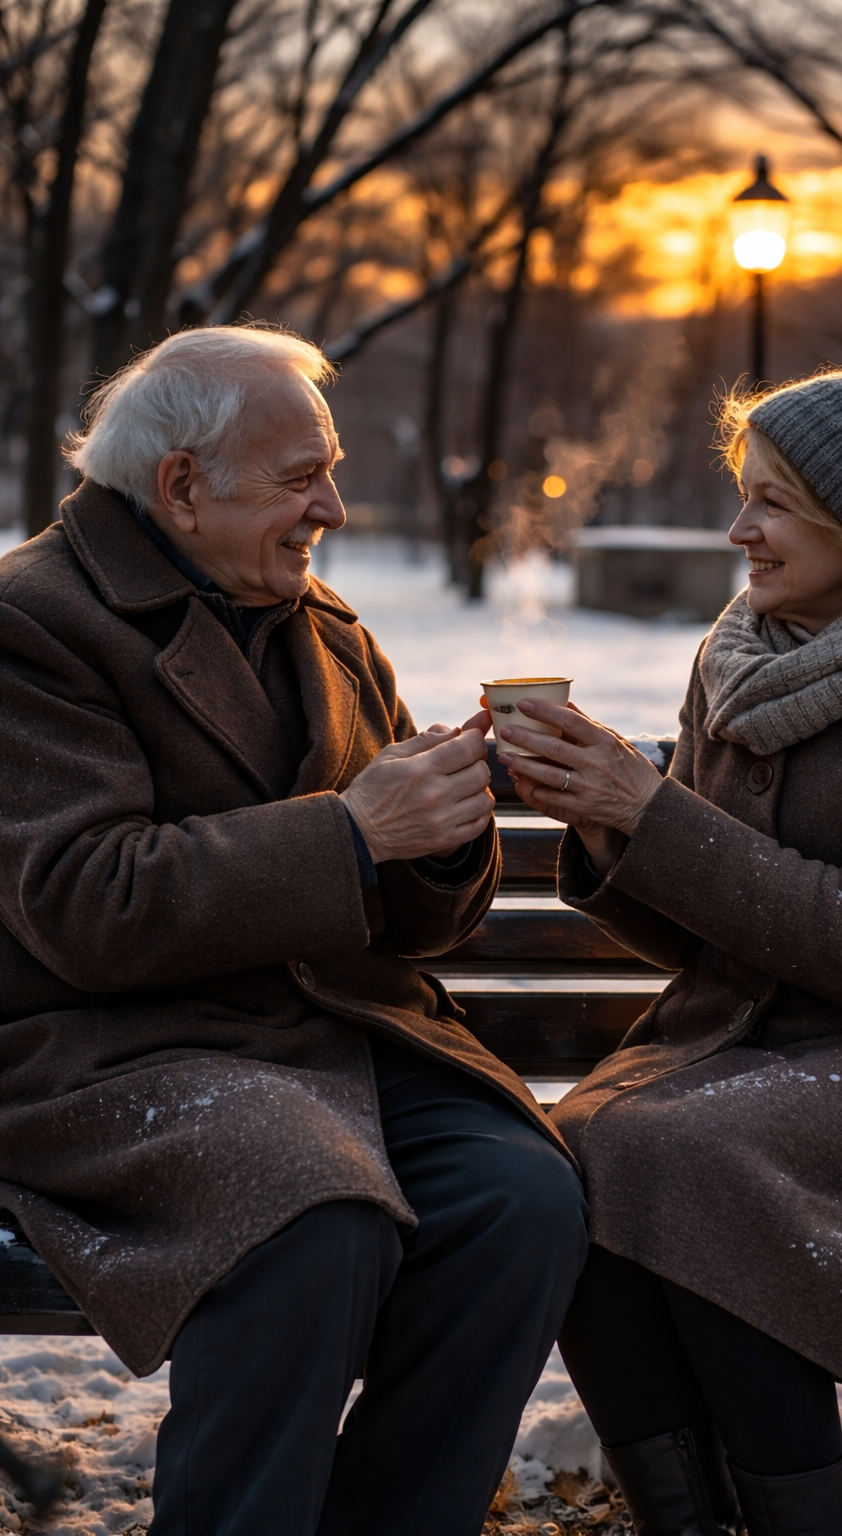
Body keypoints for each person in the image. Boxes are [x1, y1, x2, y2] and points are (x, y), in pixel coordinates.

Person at [0, 325, 587, 1536]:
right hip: (108, 1052)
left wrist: (441, 830)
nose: (332, 508)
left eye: (329, 472)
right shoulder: (34, 623)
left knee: (521, 1200)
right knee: (308, 1216)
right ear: (181, 486)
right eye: (300, 478)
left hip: (328, 1037)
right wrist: (352, 833)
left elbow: (410, 923)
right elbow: (86, 902)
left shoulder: (319, 620)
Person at [497, 370, 842, 1536]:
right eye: (744, 496)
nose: (739, 530)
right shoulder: (737, 654)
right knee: (563, 1157)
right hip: (743, 1054)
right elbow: (706, 929)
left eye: (773, 503)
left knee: (693, 1165)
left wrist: (650, 813)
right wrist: (606, 824)